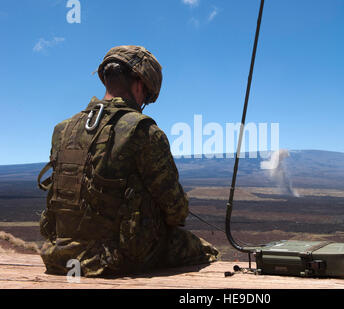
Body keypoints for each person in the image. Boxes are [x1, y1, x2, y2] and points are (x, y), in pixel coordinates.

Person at [37, 45, 219, 277]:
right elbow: (176, 211)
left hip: (58, 256)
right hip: (113, 260)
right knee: (207, 251)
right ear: (140, 84)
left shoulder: (62, 129)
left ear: (106, 79)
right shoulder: (144, 130)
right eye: (147, 96)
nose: (144, 102)